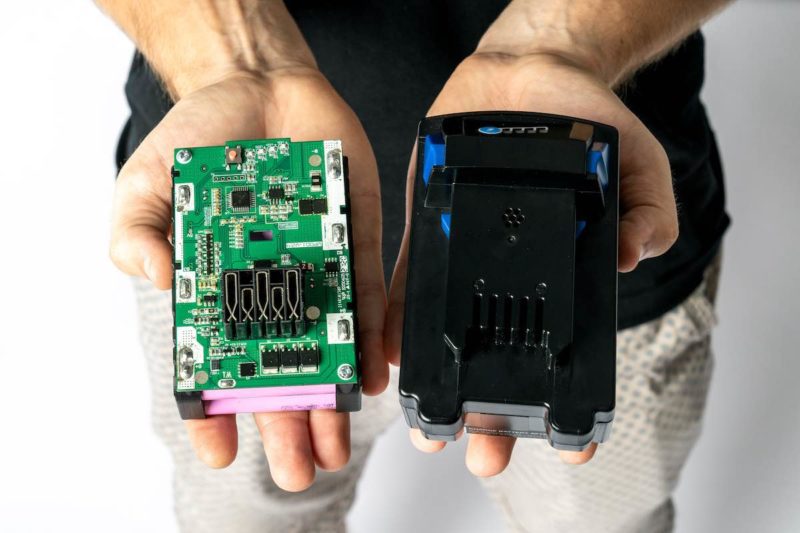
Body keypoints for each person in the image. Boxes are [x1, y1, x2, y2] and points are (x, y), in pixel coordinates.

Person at [101, 1, 731, 531]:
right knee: (250, 514)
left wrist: (566, 40)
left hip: (601, 261)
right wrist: (228, 54)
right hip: (216, 196)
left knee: (595, 518)